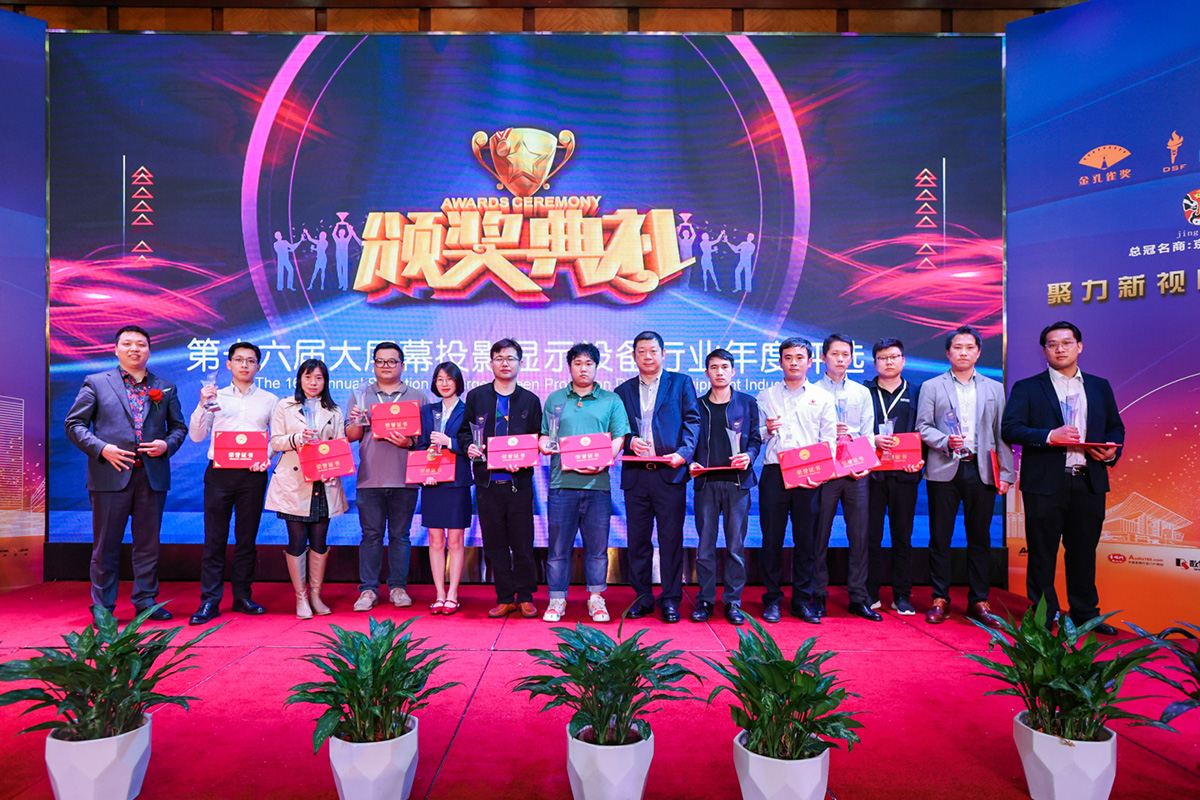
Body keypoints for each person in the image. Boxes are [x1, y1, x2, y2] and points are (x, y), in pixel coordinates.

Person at [1001, 321, 1124, 635]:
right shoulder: (1028, 387)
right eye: (1052, 344)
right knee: (1042, 552)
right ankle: (1044, 615)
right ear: (1044, 350)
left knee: (1083, 551)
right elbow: (1010, 428)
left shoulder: (1099, 386)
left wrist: (1111, 453)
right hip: (1045, 483)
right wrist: (1049, 436)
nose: (1060, 349)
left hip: (1089, 480)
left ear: (1079, 347)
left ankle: (1085, 614)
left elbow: (1115, 427)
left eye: (1066, 343)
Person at [65, 325, 187, 619]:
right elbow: (74, 425)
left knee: (148, 546)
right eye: (128, 343)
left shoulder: (165, 387)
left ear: (149, 350)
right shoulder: (96, 382)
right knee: (106, 547)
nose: (135, 349)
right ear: (116, 349)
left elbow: (178, 428)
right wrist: (102, 448)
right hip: (110, 474)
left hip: (152, 477)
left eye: (141, 344)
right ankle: (103, 608)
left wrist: (166, 445)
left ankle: (145, 602)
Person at [915, 325, 1014, 627]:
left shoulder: (994, 388)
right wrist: (945, 441)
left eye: (970, 347)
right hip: (944, 468)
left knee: (980, 538)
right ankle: (940, 599)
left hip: (982, 469)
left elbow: (1002, 434)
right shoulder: (932, 386)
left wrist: (1006, 473)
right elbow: (922, 427)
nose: (963, 353)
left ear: (978, 352)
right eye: (957, 347)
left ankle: (979, 601)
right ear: (948, 352)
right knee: (940, 537)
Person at [187, 342, 277, 625]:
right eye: (239, 360)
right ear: (229, 365)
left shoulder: (269, 399)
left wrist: (265, 457)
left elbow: (276, 437)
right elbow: (197, 436)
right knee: (214, 539)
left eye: (250, 360)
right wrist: (202, 404)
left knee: (246, 539)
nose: (244, 365)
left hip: (253, 475)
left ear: (258, 366)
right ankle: (209, 601)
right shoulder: (215, 395)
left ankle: (242, 597)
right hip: (219, 474)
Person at [538, 343, 629, 623]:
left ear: (596, 367)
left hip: (597, 486)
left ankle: (596, 599)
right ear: (569, 367)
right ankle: (556, 599)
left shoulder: (611, 400)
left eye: (589, 363)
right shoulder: (555, 399)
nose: (583, 368)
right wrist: (545, 445)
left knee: (597, 549)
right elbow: (544, 435)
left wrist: (603, 461)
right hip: (561, 485)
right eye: (578, 363)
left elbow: (619, 437)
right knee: (558, 549)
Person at [615, 331, 700, 624]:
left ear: (664, 353)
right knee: (638, 541)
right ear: (633, 356)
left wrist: (684, 454)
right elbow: (618, 429)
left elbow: (693, 420)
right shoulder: (623, 390)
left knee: (671, 540)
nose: (647, 356)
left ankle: (671, 600)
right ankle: (642, 598)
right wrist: (630, 441)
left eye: (653, 350)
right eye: (641, 351)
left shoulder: (681, 383)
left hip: (669, 473)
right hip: (637, 476)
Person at [458, 339, 543, 620]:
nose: (505, 363)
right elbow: (464, 433)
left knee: (522, 544)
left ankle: (526, 597)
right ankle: (505, 597)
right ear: (491, 363)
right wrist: (469, 446)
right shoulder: (477, 397)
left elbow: (538, 438)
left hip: (519, 485)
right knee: (495, 545)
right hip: (488, 484)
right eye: (499, 358)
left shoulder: (530, 400)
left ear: (520, 363)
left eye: (510, 358)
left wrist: (527, 457)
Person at [757, 337, 837, 624]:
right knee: (771, 540)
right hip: (774, 473)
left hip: (808, 476)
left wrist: (820, 474)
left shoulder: (822, 397)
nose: (794, 362)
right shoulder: (765, 395)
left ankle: (803, 600)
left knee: (806, 541)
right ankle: (772, 600)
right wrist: (766, 430)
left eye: (799, 357)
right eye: (788, 357)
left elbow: (829, 440)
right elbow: (755, 437)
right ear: (780, 362)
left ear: (810, 362)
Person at [345, 343, 428, 612]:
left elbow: (427, 439)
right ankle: (368, 589)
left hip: (405, 479)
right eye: (380, 361)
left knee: (400, 536)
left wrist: (409, 442)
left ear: (402, 365)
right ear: (373, 365)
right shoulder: (361, 395)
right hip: (370, 479)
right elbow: (351, 436)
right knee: (370, 536)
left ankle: (398, 587)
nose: (386, 366)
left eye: (392, 361)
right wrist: (357, 421)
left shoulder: (418, 396)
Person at [265, 358, 347, 619]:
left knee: (320, 541)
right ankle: (300, 597)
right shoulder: (285, 406)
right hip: (294, 482)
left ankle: (316, 595)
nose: (313, 382)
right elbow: (275, 442)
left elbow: (340, 445)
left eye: (319, 378)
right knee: (297, 540)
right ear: (300, 379)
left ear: (326, 381)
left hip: (323, 482)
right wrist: (298, 438)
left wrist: (334, 470)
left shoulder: (334, 410)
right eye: (308, 377)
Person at [688, 349, 761, 625]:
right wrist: (690, 463)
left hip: (737, 484)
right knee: (705, 546)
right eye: (714, 367)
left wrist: (749, 456)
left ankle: (733, 601)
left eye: (725, 367)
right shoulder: (696, 405)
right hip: (706, 483)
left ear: (734, 371)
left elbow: (755, 439)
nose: (719, 372)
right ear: (706, 372)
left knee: (735, 546)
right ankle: (705, 600)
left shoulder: (747, 402)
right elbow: (688, 440)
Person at [813, 334, 880, 622]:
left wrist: (863, 463)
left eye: (846, 354)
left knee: (859, 534)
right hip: (826, 471)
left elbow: (868, 432)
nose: (841, 359)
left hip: (855, 470)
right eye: (835, 354)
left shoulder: (861, 392)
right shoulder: (812, 391)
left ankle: (858, 597)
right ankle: (818, 595)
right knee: (819, 534)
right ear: (823, 357)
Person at [863, 338, 925, 616]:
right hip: (871, 475)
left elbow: (925, 429)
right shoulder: (864, 392)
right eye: (883, 358)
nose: (889, 362)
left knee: (902, 536)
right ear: (875, 362)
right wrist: (871, 438)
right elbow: (854, 430)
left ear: (903, 360)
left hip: (905, 475)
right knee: (871, 536)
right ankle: (870, 592)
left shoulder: (918, 392)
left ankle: (902, 594)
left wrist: (920, 461)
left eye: (894, 356)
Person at [416, 362, 472, 616]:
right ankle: (439, 594)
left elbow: (473, 445)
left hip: (457, 482)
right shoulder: (427, 411)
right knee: (435, 540)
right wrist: (423, 475)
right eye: (440, 379)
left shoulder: (468, 410)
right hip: (432, 482)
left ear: (458, 381)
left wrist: (449, 442)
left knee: (456, 540)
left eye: (449, 379)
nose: (444, 383)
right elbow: (419, 446)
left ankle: (453, 594)